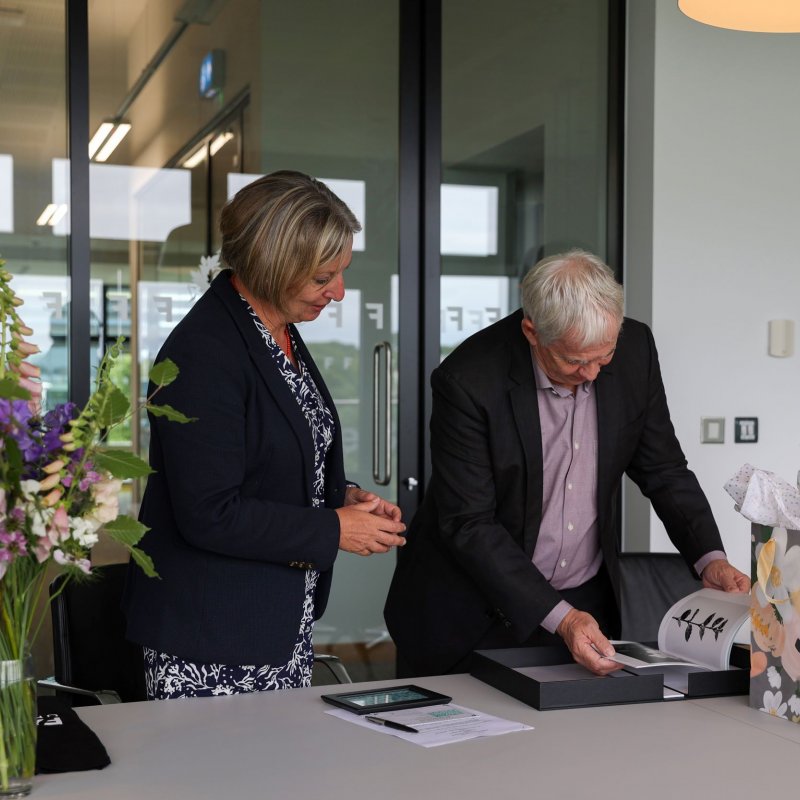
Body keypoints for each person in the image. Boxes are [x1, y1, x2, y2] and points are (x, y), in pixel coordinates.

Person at [384, 249, 749, 678]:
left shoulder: (635, 351)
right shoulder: (469, 380)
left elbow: (663, 467)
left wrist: (710, 558)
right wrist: (560, 616)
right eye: (575, 361)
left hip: (585, 603)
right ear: (532, 331)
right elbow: (469, 523)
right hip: (472, 612)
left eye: (603, 356)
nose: (592, 374)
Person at [123, 170, 406, 699]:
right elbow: (209, 512)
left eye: (340, 273)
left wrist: (343, 501)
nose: (339, 292)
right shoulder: (203, 353)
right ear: (275, 265)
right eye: (324, 278)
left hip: (272, 623)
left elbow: (266, 461)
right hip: (213, 636)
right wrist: (332, 530)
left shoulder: (279, 333)